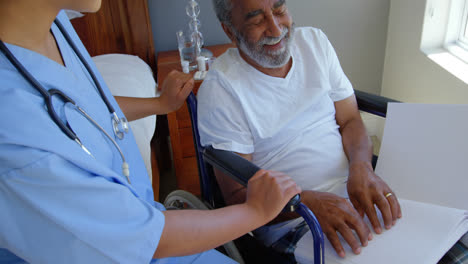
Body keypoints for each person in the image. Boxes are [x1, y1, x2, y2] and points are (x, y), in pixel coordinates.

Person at [0, 0, 301, 263]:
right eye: (257, 18)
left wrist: (159, 104)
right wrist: (255, 212)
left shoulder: (51, 22)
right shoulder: (13, 134)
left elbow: (75, 105)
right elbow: (140, 237)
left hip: (147, 227)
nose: (274, 28)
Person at [197, 0, 402, 259]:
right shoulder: (221, 90)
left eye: (280, 10)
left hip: (354, 187)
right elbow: (238, 197)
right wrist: (305, 203)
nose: (275, 28)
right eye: (257, 19)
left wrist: (361, 167)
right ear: (229, 31)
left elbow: (350, 120)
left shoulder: (314, 43)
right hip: (294, 221)